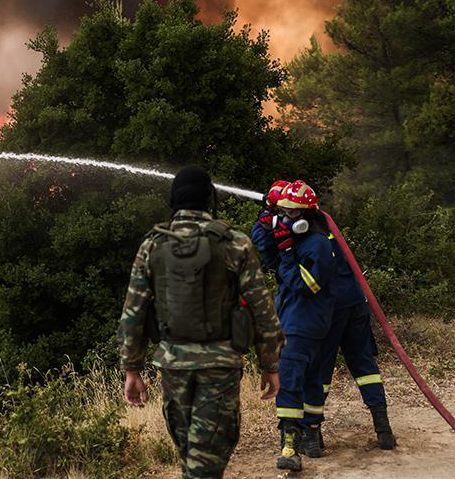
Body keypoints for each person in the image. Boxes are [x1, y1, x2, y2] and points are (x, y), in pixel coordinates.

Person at [118, 166, 284, 479]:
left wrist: (132, 369)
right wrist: (270, 364)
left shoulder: (152, 246)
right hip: (220, 365)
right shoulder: (235, 243)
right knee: (203, 463)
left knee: (193, 460)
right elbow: (263, 310)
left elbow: (133, 313)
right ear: (210, 198)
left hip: (174, 366)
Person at [299, 230, 397, 455]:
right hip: (355, 302)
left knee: (319, 371)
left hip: (331, 307)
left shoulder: (302, 233)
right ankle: (384, 430)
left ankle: (311, 435)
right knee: (364, 365)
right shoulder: (329, 231)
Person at [269, 180, 336, 472]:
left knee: (290, 381)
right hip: (301, 321)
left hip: (303, 323)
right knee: (310, 380)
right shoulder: (298, 240)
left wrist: (286, 254)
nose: (286, 218)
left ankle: (290, 445)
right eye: (282, 211)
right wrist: (268, 227)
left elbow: (306, 286)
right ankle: (311, 437)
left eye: (292, 213)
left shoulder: (317, 244)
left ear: (307, 216)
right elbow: (269, 258)